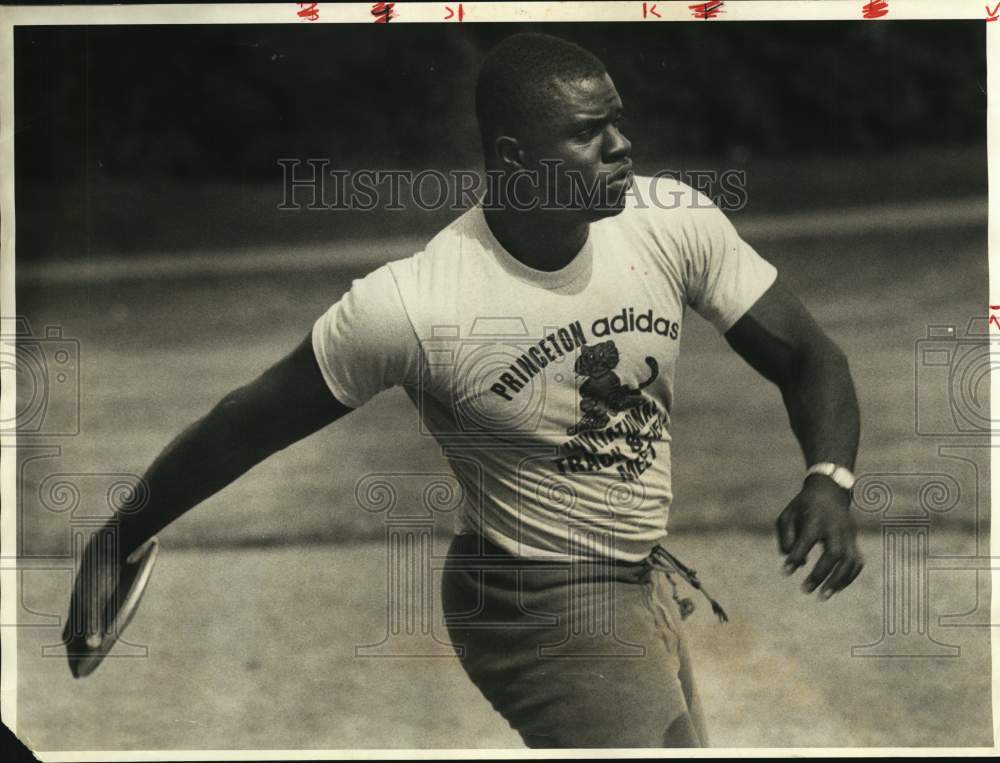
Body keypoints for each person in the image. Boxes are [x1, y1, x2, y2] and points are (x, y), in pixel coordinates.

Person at [65, 32, 863, 748]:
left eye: (616, 121)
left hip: (634, 573)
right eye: (588, 133)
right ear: (515, 158)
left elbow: (808, 355)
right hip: (534, 598)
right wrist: (116, 536)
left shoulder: (670, 221)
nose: (622, 144)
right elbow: (245, 423)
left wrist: (830, 476)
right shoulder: (417, 304)